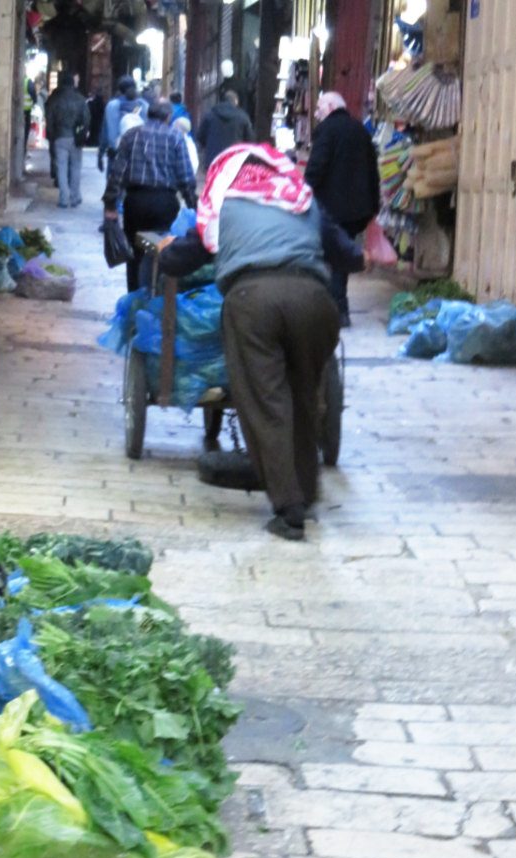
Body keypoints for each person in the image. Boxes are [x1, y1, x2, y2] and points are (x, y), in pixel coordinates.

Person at [162, 144, 362, 541]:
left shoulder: (225, 203)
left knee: (265, 401)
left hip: (254, 303)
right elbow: (351, 256)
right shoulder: (300, 200)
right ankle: (305, 494)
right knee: (305, 396)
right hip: (316, 303)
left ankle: (288, 510)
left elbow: (182, 258)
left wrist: (167, 252)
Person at [102, 100, 198, 293]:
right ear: (168, 117)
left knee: (135, 252)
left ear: (148, 115)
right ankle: (153, 293)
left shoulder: (131, 136)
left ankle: (134, 295)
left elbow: (117, 174)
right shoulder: (176, 138)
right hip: (164, 203)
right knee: (159, 249)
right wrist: (193, 206)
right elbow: (186, 177)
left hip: (136, 202)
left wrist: (111, 205)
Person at [305, 91, 380, 326]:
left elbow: (316, 168)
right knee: (340, 254)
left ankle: (337, 309)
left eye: (318, 108)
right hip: (358, 208)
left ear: (329, 107)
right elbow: (372, 170)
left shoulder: (327, 131)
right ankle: (337, 308)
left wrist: (303, 192)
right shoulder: (359, 129)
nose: (316, 113)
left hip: (332, 207)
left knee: (333, 256)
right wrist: (373, 204)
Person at [45, 70, 91, 208]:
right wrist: (82, 134)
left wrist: (52, 136)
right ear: (73, 83)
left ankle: (64, 198)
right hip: (76, 138)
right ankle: (75, 196)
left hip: (60, 137)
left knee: (62, 168)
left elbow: (49, 118)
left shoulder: (55, 99)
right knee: (76, 168)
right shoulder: (80, 99)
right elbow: (87, 119)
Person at [97, 75, 148, 176]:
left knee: (114, 187)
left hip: (116, 153)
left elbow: (105, 131)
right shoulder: (143, 105)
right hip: (138, 153)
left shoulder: (112, 106)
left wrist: (100, 153)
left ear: (119, 89)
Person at [195, 90, 254, 171]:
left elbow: (200, 137)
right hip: (234, 160)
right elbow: (250, 140)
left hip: (213, 160)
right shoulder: (243, 117)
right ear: (236, 101)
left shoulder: (210, 115)